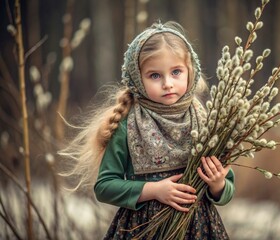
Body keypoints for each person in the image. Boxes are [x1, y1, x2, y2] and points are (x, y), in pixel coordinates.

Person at [61, 21, 235, 239]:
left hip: (199, 228)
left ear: (190, 72)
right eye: (155, 75)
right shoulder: (127, 125)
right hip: (144, 228)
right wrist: (153, 191)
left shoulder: (205, 122)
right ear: (137, 78)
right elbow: (104, 186)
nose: (167, 83)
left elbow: (227, 188)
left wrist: (218, 184)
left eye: (176, 72)